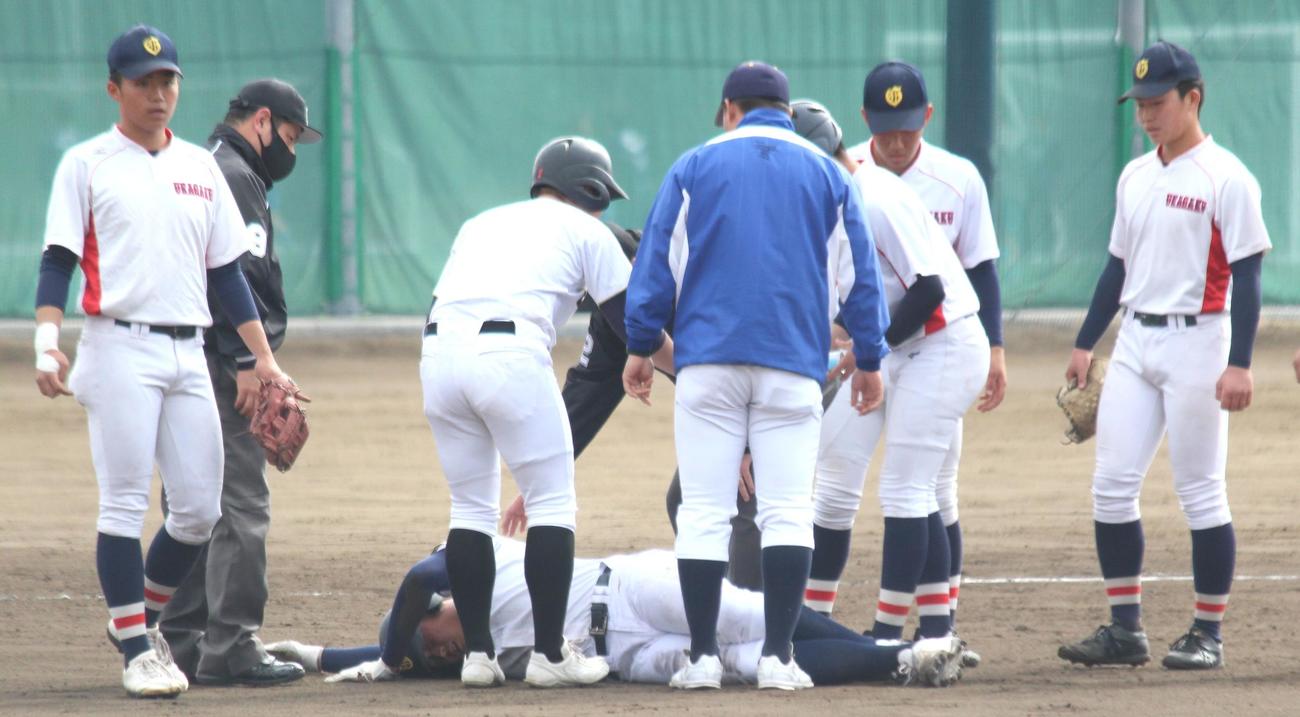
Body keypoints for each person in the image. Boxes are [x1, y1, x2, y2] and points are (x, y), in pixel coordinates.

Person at [33, 25, 292, 698]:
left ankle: (134, 625)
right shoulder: (87, 163)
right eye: (144, 82)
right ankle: (136, 653)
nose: (158, 93)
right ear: (114, 88)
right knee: (122, 503)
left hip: (189, 350)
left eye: (167, 80)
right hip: (119, 344)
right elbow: (59, 258)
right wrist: (46, 338)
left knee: (199, 512)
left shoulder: (201, 167)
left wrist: (263, 358)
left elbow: (228, 274)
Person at [622, 61, 890, 691]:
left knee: (705, 514)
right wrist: (871, 360)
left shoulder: (693, 165)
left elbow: (656, 266)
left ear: (728, 108)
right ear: (786, 111)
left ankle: (702, 659)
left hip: (708, 364)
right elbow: (861, 279)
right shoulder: (829, 173)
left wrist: (640, 344)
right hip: (792, 365)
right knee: (789, 512)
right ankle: (777, 658)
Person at [421, 136, 674, 688]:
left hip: (437, 353)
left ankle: (478, 658)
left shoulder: (480, 223)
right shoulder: (590, 230)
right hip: (508, 354)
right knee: (553, 502)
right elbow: (636, 325)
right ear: (591, 190)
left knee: (468, 509)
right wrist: (692, 373)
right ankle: (549, 655)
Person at [1057, 41, 1270, 671]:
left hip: (1200, 341)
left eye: (1158, 102)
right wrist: (1084, 341)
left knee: (1200, 492)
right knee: (1111, 489)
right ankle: (1126, 630)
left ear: (1193, 98)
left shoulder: (1227, 177)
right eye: (1140, 103)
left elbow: (1249, 278)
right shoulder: (1135, 174)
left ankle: (1208, 632)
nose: (1146, 113)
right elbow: (1116, 267)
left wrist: (1240, 362)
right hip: (1135, 341)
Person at [789, 101, 988, 651]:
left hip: (945, 344)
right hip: (903, 344)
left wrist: (867, 350)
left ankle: (901, 635)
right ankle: (813, 624)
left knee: (908, 488)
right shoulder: (841, 193)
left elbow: (928, 290)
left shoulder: (872, 198)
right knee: (832, 485)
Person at [262, 539, 966, 688]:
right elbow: (391, 653)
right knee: (742, 666)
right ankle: (903, 661)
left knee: (751, 617)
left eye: (429, 637)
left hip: (628, 586)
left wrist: (392, 646)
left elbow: (416, 577)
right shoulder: (462, 647)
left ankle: (901, 642)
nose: (434, 653)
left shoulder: (466, 562)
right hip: (626, 656)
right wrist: (315, 652)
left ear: (440, 608)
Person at [157, 78, 322, 687]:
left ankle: (178, 640)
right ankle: (231, 644)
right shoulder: (235, 175)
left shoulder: (200, 167)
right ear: (259, 121)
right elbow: (239, 278)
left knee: (192, 502)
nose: (292, 149)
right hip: (224, 363)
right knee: (241, 505)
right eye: (289, 134)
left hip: (186, 355)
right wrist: (251, 361)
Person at [845, 61, 1007, 630]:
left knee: (929, 486)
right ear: (864, 119)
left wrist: (998, 348)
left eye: (907, 129)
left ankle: (928, 629)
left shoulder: (956, 177)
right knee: (909, 483)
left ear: (928, 118)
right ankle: (935, 632)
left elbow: (978, 269)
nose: (895, 142)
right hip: (892, 341)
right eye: (884, 129)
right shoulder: (852, 173)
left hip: (939, 339)